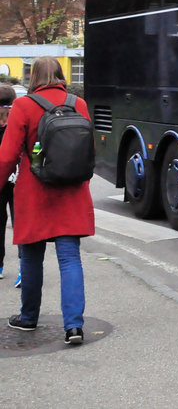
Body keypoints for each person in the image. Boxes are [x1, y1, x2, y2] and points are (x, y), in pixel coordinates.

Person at [0, 57, 95, 345]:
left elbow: (7, 155)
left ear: (33, 77)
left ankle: (28, 317)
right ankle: (74, 327)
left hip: (35, 192)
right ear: (61, 74)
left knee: (31, 258)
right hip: (71, 191)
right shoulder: (78, 104)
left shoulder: (24, 105)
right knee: (69, 258)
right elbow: (87, 149)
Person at [0, 84, 15, 282]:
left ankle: (0, 265)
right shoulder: (17, 119)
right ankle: (24, 266)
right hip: (18, 178)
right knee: (20, 223)